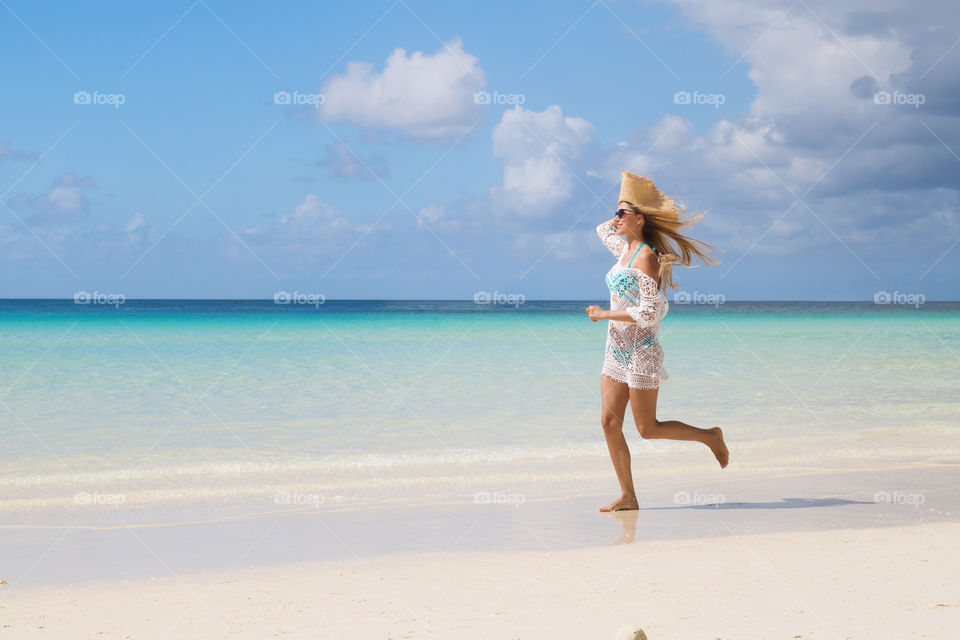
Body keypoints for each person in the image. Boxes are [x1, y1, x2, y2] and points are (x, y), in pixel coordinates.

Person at [586, 169, 729, 512]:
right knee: (608, 423)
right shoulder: (623, 250)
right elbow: (601, 228)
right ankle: (628, 496)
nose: (615, 218)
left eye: (622, 213)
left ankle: (710, 436)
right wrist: (627, 205)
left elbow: (649, 312)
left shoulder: (646, 256)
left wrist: (605, 315)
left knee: (647, 429)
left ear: (639, 219)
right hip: (616, 350)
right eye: (617, 211)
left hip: (641, 352)